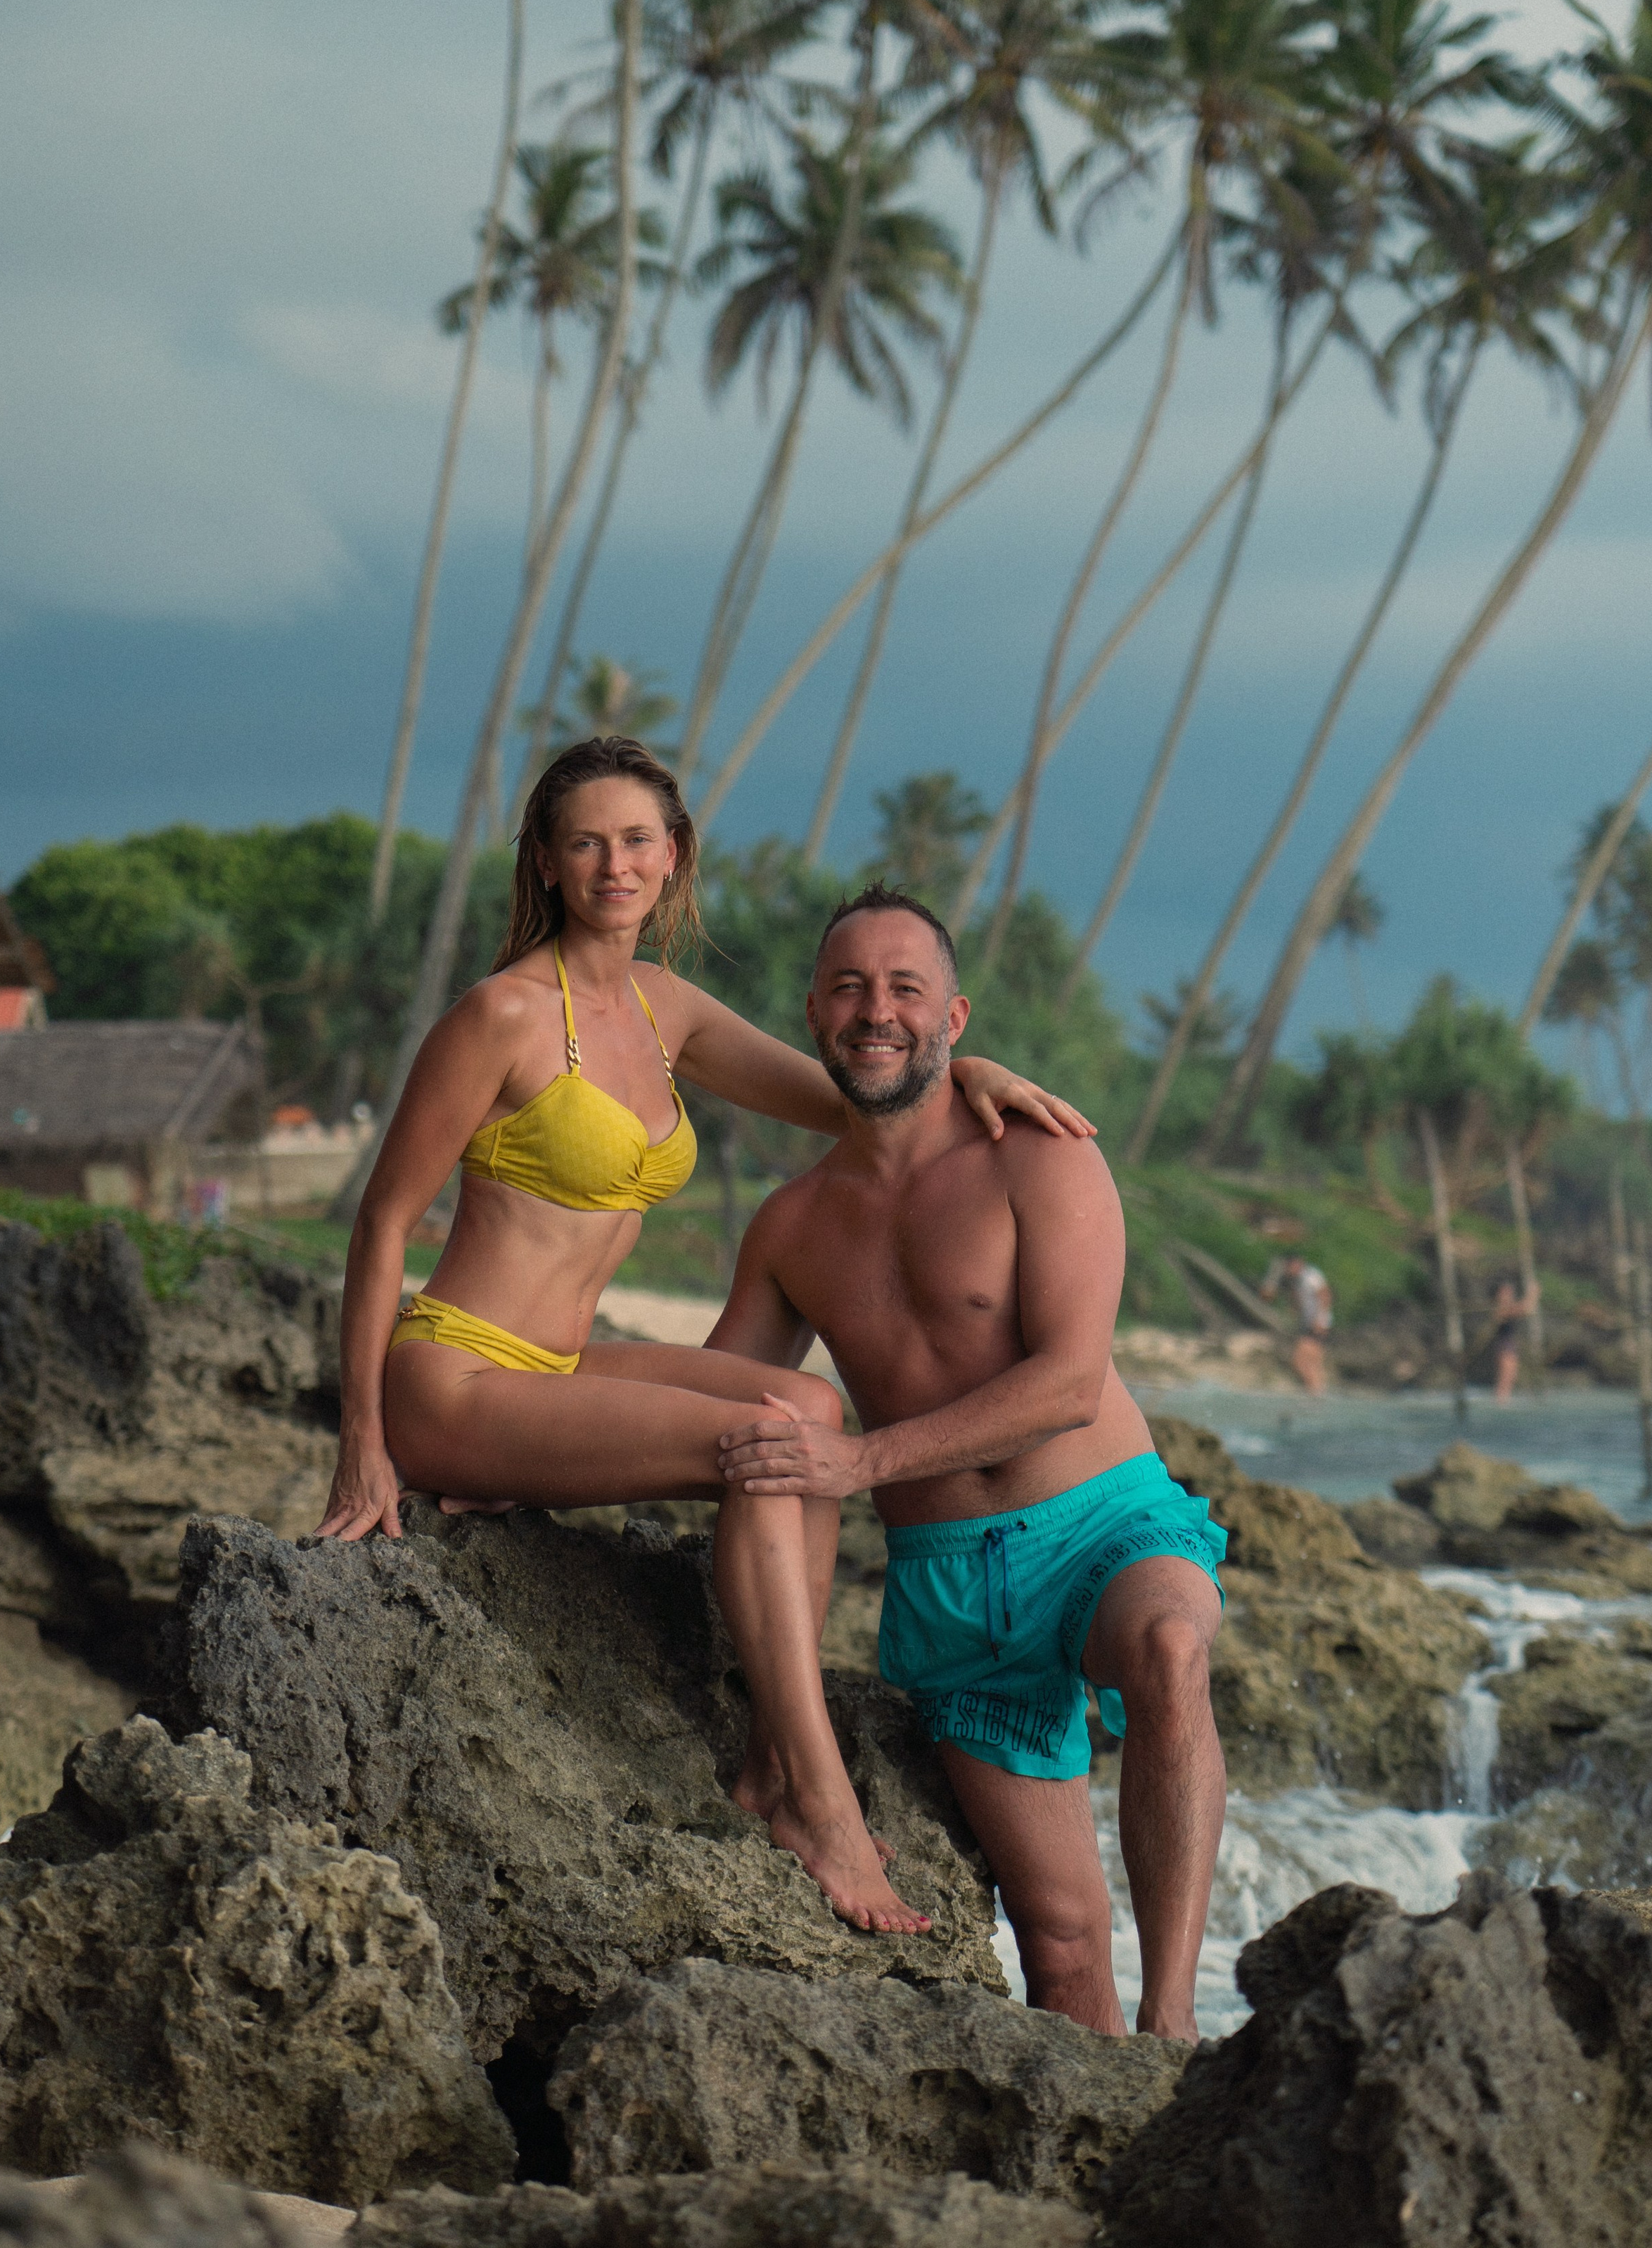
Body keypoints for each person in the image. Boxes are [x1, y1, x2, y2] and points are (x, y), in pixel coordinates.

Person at [316, 736, 1092, 1942]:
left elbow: (858, 1085)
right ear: (549, 863)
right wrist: (363, 1443)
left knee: (816, 1416)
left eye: (638, 840)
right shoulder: (504, 1014)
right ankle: (821, 1805)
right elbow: (382, 1220)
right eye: (586, 841)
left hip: (559, 1374)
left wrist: (968, 1059)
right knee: (760, 1433)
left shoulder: (665, 1009)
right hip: (458, 1373)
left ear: (673, 858)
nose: (614, 863)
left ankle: (771, 1756)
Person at [705, 883, 1227, 2043]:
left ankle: (1180, 2022)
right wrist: (528, 1423)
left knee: (1169, 1648)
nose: (874, 1009)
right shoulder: (792, 1226)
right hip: (950, 1587)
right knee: (1058, 1944)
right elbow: (715, 1402)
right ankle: (1110, 2158)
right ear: (813, 1014)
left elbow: (1068, 1384)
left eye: (904, 988)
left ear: (954, 1015)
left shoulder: (1038, 1156)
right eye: (848, 987)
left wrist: (861, 1458)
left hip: (1104, 1524)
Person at [1262, 1251, 1331, 1394]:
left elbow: (1325, 1295)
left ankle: (1315, 1394)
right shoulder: (1294, 1280)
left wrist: (1320, 1320)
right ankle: (1318, 1394)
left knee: (1300, 1360)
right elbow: (1267, 1296)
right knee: (1314, 1362)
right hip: (1308, 1323)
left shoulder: (1311, 1275)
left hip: (1317, 1323)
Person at [1489, 1272, 1535, 1402]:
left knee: (1511, 1376)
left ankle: (1503, 1401)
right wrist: (1533, 1293)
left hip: (1510, 1344)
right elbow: (1525, 1309)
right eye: (1507, 1292)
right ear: (1500, 1294)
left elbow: (1525, 1309)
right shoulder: (1500, 1309)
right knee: (1505, 1377)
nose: (1510, 1295)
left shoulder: (1506, 1307)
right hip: (1504, 1345)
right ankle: (1501, 1402)